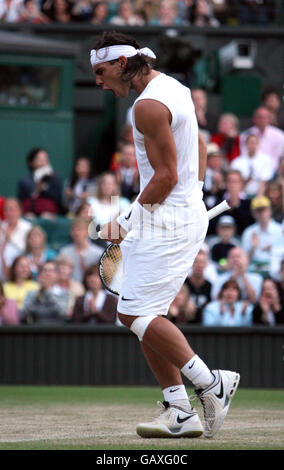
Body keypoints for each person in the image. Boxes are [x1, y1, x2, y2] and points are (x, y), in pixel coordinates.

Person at [90, 30, 240, 440]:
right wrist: (198, 192)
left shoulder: (147, 108)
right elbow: (200, 145)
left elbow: (167, 176)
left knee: (134, 314)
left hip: (167, 221)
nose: (98, 82)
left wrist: (125, 221)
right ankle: (179, 409)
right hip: (175, 214)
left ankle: (211, 384)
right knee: (142, 312)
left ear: (123, 64)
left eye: (101, 72)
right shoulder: (174, 86)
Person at [17, 147, 63, 218]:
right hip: (29, 213)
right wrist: (36, 190)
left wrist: (45, 190)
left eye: (45, 159)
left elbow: (58, 199)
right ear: (31, 162)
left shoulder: (54, 178)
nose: (43, 162)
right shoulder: (24, 181)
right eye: (39, 159)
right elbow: (21, 201)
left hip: (50, 213)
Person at [241, 196, 283, 273]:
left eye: (264, 209)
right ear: (253, 213)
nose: (261, 213)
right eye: (258, 210)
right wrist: (253, 248)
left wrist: (273, 250)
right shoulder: (248, 232)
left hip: (275, 270)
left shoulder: (280, 230)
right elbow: (244, 260)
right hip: (254, 270)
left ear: (270, 210)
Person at [240, 107, 284, 174]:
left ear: (269, 119)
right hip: (251, 172)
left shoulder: (279, 135)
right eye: (260, 117)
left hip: (274, 173)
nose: (262, 120)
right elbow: (244, 155)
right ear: (254, 119)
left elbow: (281, 156)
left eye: (265, 117)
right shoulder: (245, 135)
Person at [59, 217, 103, 282]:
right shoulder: (64, 252)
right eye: (73, 230)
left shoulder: (99, 253)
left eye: (79, 230)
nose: (76, 233)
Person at [231, 134, 274, 198]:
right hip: (241, 195)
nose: (252, 145)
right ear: (245, 145)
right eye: (250, 143)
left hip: (261, 194)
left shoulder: (266, 160)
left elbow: (264, 182)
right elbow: (234, 183)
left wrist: (258, 199)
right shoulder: (237, 162)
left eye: (254, 143)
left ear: (258, 144)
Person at [223, 169, 255, 236]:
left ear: (241, 184)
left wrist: (237, 206)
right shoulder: (219, 201)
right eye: (229, 181)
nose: (232, 185)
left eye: (235, 182)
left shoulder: (249, 203)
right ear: (225, 184)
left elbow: (249, 225)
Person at [184, 250, 212, 322]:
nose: (199, 265)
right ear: (191, 263)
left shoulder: (210, 286)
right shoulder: (183, 284)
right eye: (196, 262)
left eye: (202, 262)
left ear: (206, 265)